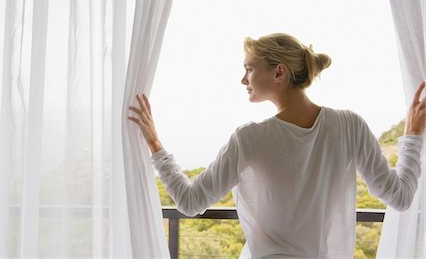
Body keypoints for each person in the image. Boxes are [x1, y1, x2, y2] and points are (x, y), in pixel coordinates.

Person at [127, 33, 425, 259]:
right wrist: (411, 136)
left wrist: (154, 143)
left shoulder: (249, 139)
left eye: (248, 68)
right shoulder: (350, 126)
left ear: (279, 72)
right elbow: (399, 197)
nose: (243, 79)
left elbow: (190, 202)